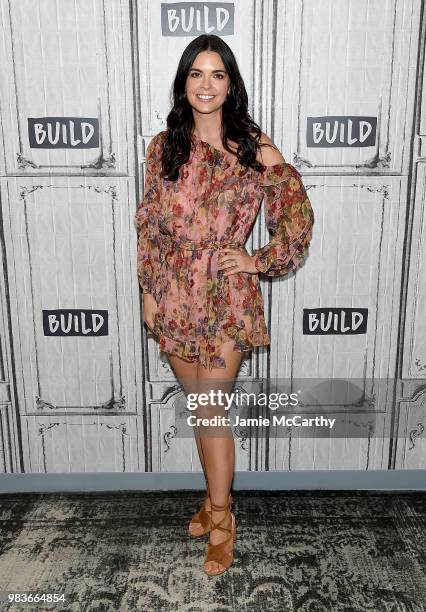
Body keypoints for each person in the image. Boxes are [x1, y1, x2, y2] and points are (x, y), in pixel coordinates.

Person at [134, 34, 314, 576]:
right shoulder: (162, 147)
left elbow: (297, 219)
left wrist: (258, 261)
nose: (205, 85)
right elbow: (149, 228)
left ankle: (223, 518)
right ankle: (212, 498)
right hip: (173, 294)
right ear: (183, 82)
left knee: (211, 409)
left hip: (227, 299)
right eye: (195, 74)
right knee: (201, 411)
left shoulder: (255, 149)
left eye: (216, 74)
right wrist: (148, 292)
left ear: (230, 84)